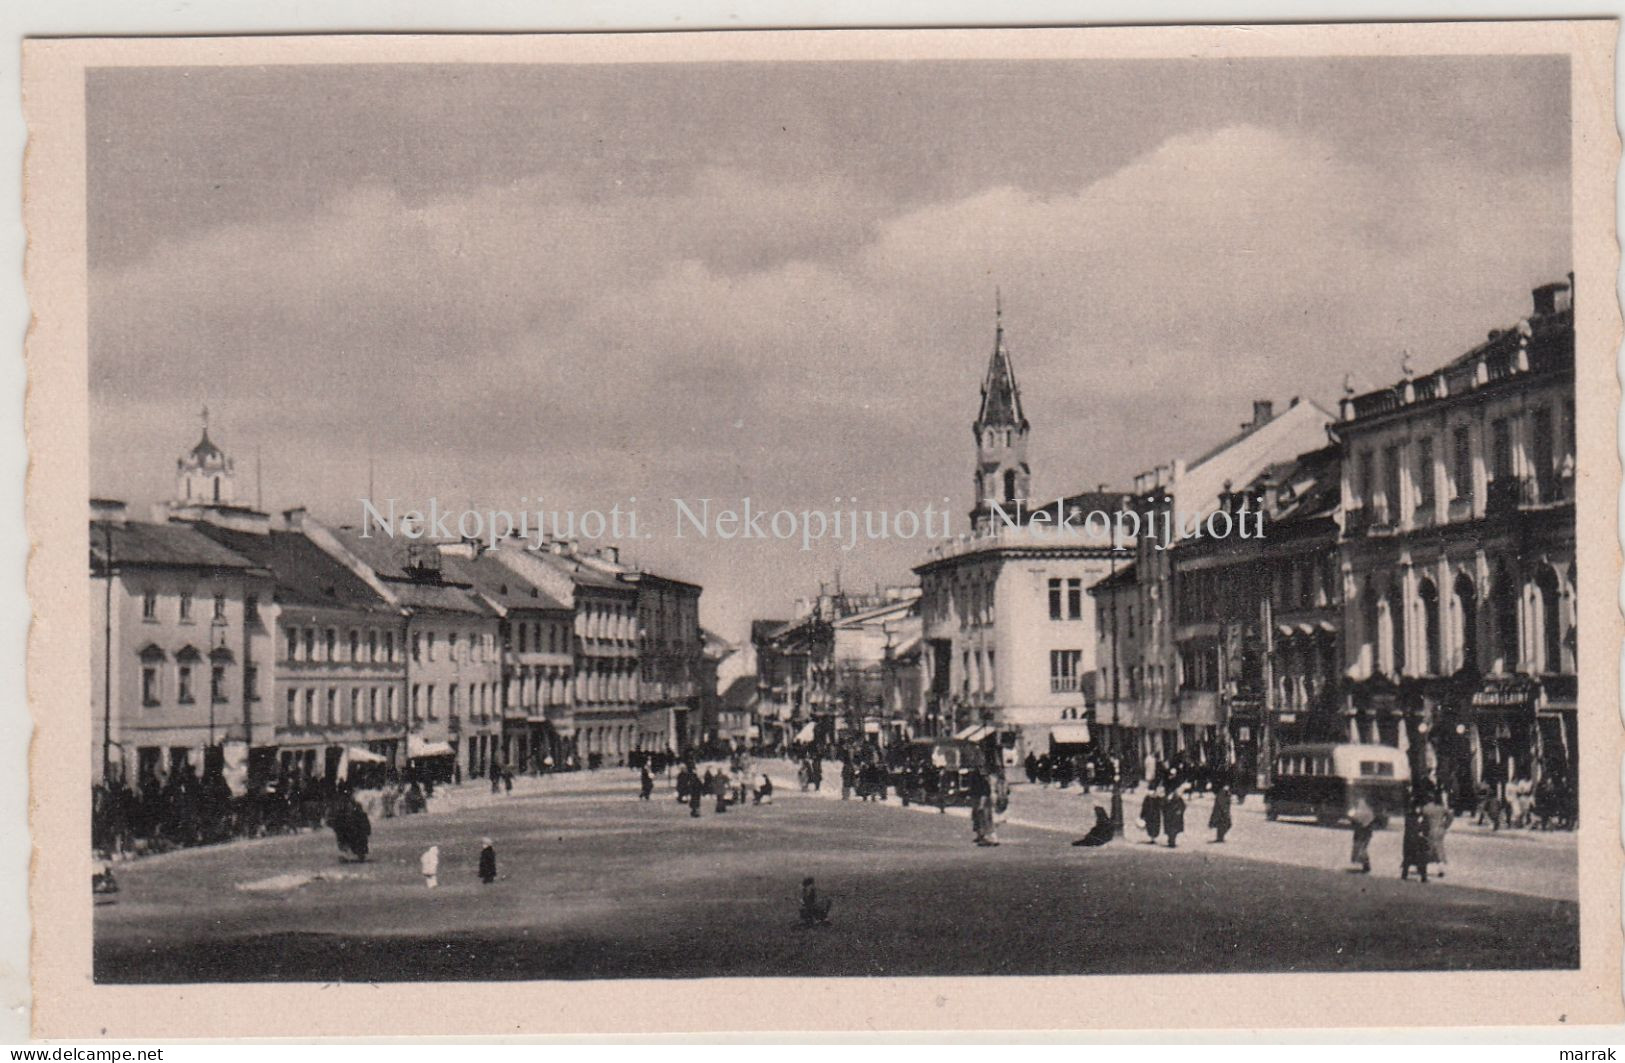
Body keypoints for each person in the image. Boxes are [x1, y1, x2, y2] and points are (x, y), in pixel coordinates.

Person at [1421, 792, 1451, 878]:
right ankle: (1441, 868)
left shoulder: (1426, 808)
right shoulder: (1441, 808)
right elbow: (1450, 815)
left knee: (1429, 848)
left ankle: (1424, 867)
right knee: (1439, 848)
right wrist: (1446, 825)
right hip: (1440, 829)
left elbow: (1423, 820)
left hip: (1431, 830)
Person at [1400, 805, 1429, 882]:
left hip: (1410, 840)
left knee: (1408, 858)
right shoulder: (1422, 817)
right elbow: (1425, 828)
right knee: (1422, 858)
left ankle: (1404, 874)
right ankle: (1423, 876)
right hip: (1418, 840)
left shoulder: (1409, 817)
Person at [1348, 795, 1375, 873]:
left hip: (1362, 833)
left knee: (1361, 849)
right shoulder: (1368, 811)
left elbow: (1357, 820)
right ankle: (1365, 865)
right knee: (1362, 849)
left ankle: (1366, 865)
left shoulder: (1361, 812)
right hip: (1365, 833)